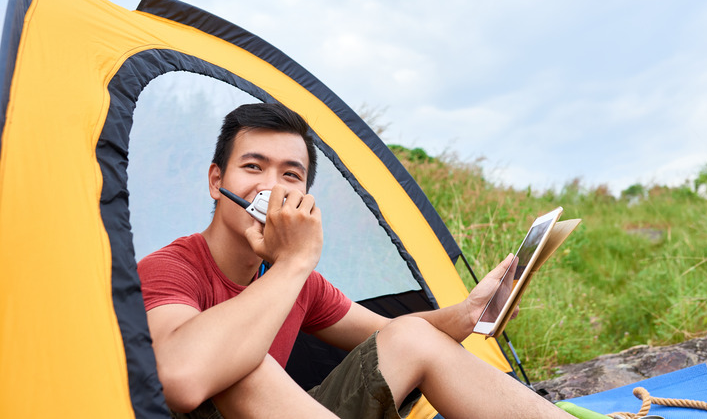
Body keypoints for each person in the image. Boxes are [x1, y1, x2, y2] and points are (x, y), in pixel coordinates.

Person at [138, 103, 574, 419]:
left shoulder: (297, 282)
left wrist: (467, 313)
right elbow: (181, 379)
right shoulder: (170, 269)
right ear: (218, 181)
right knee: (243, 363)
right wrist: (293, 263)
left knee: (411, 335)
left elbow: (393, 336)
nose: (271, 188)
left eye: (291, 175)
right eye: (253, 167)